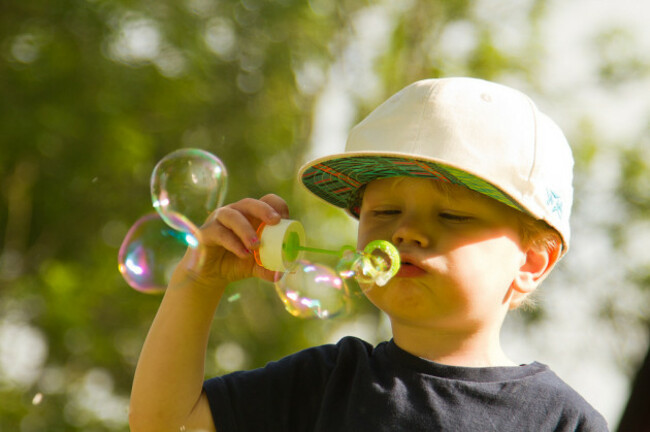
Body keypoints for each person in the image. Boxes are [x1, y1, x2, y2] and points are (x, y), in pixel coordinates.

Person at [128, 77, 609, 431]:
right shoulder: (325, 383)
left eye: (451, 216)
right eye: (385, 212)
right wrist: (199, 282)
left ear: (531, 262)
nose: (406, 232)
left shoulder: (564, 423)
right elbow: (165, 424)